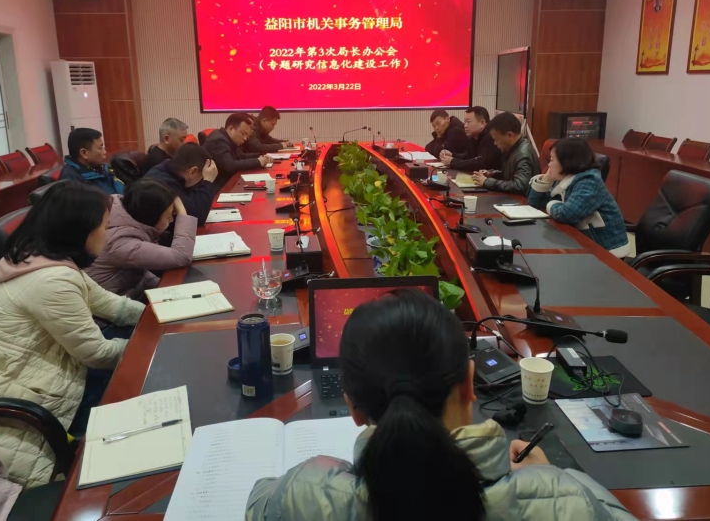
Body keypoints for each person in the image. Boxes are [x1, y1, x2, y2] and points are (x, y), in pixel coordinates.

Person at [247, 290, 637, 521]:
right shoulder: (568, 501)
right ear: (469, 383)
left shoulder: (304, 493)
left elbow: (259, 501)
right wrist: (548, 478)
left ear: (353, 408)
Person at [0, 182, 145, 487]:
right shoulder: (51, 280)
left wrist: (159, 314)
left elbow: (112, 305)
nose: (108, 233)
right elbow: (97, 354)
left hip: (49, 381)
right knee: (141, 393)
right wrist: (150, 342)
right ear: (79, 231)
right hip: (28, 411)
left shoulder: (45, 261)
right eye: (105, 226)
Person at [87, 180, 197, 298]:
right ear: (151, 217)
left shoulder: (124, 213)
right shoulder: (120, 241)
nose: (171, 219)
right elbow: (181, 257)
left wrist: (165, 286)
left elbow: (140, 274)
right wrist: (182, 213)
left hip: (133, 292)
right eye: (168, 216)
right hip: (120, 301)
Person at [529, 139, 630, 257]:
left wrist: (552, 204)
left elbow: (568, 214)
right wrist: (546, 180)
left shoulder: (589, 181)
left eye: (551, 160)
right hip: (583, 244)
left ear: (566, 162)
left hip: (607, 251)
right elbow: (535, 203)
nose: (549, 165)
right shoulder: (566, 177)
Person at [145, 143, 219, 225]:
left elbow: (192, 199)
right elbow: (197, 217)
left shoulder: (173, 170)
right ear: (192, 171)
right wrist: (208, 181)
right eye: (202, 177)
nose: (200, 182)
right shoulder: (162, 183)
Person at [472, 112, 540, 195]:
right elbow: (510, 175)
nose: (495, 143)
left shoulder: (523, 154)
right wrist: (491, 174)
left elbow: (520, 185)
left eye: (496, 140)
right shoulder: (514, 148)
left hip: (521, 200)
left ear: (509, 135)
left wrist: (488, 182)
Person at [204, 113, 273, 193]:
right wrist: (258, 162)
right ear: (231, 129)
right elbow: (230, 166)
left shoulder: (228, 138)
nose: (245, 138)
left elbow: (241, 156)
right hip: (219, 187)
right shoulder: (218, 140)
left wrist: (260, 156)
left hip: (228, 181)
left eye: (247, 135)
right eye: (243, 134)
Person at [60, 127, 124, 194]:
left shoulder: (103, 168)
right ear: (84, 153)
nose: (105, 152)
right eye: (100, 148)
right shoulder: (72, 182)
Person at [440, 106, 502, 172]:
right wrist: (452, 155)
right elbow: (470, 157)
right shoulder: (473, 136)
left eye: (468, 122)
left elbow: (480, 163)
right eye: (465, 122)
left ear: (482, 123)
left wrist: (453, 161)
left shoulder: (491, 137)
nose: (465, 126)